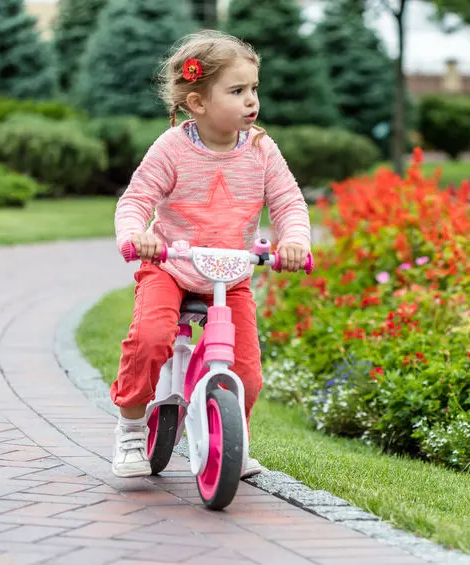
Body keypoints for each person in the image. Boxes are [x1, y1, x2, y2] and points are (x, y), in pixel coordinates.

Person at [109, 30, 311, 478]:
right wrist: (136, 235)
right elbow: (136, 199)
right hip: (171, 267)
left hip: (231, 275)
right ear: (198, 103)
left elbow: (288, 202)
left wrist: (295, 240)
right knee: (151, 337)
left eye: (253, 89)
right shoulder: (172, 148)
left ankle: (228, 442)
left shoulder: (260, 148)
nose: (251, 100)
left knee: (248, 371)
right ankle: (129, 427)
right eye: (237, 91)